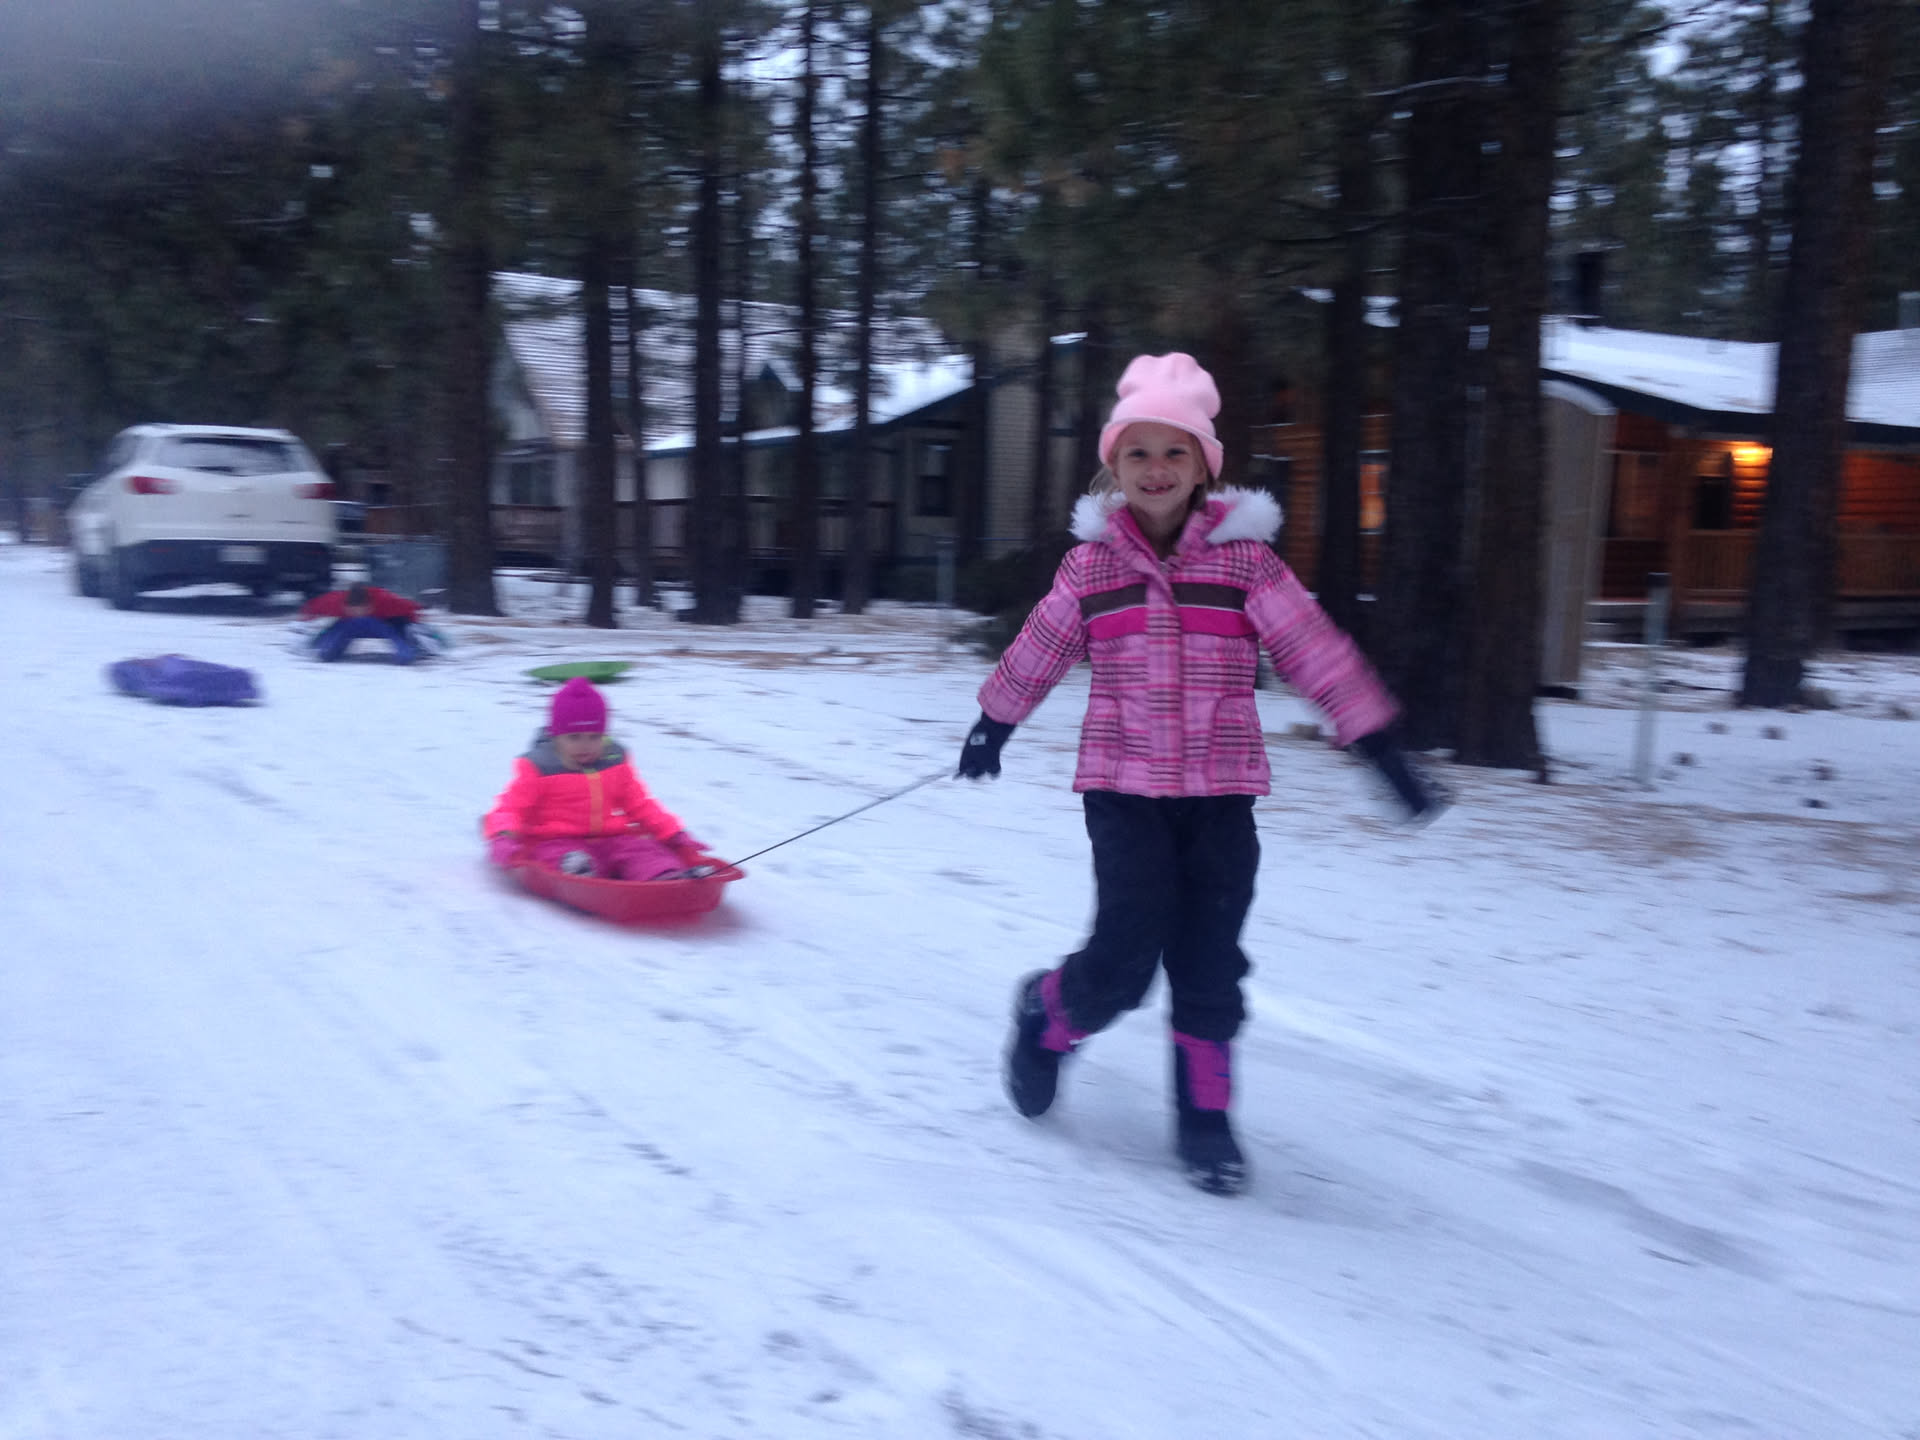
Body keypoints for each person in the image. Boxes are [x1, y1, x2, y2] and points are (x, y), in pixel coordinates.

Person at [956, 352, 1440, 1197]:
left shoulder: (1245, 564)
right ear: (1115, 467)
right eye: (1138, 452)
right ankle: (1049, 1017)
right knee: (1124, 958)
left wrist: (1375, 741)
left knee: (1210, 960)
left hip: (1220, 796)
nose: (1156, 469)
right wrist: (995, 721)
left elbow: (1313, 650)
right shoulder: (1091, 568)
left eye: (1174, 451)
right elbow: (1041, 646)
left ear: (1204, 465)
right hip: (1123, 793)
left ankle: (1205, 1116)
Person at [483, 677, 715, 881]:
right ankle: (577, 873)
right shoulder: (540, 767)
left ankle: (665, 876)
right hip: (556, 840)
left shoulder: (615, 763)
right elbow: (511, 808)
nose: (585, 745)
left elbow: (641, 805)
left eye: (594, 737)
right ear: (556, 736)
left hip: (612, 838)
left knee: (641, 849)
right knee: (552, 855)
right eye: (574, 737)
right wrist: (503, 836)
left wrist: (673, 834)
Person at [300, 581, 424, 664]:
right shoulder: (334, 602)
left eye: (362, 610)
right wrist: (306, 618)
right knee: (326, 652)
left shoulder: (386, 601)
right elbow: (311, 608)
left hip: (387, 622)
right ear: (345, 606)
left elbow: (410, 608)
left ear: (370, 605)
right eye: (353, 611)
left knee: (406, 651)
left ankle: (413, 647)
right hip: (347, 625)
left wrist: (414, 624)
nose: (358, 614)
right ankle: (321, 645)